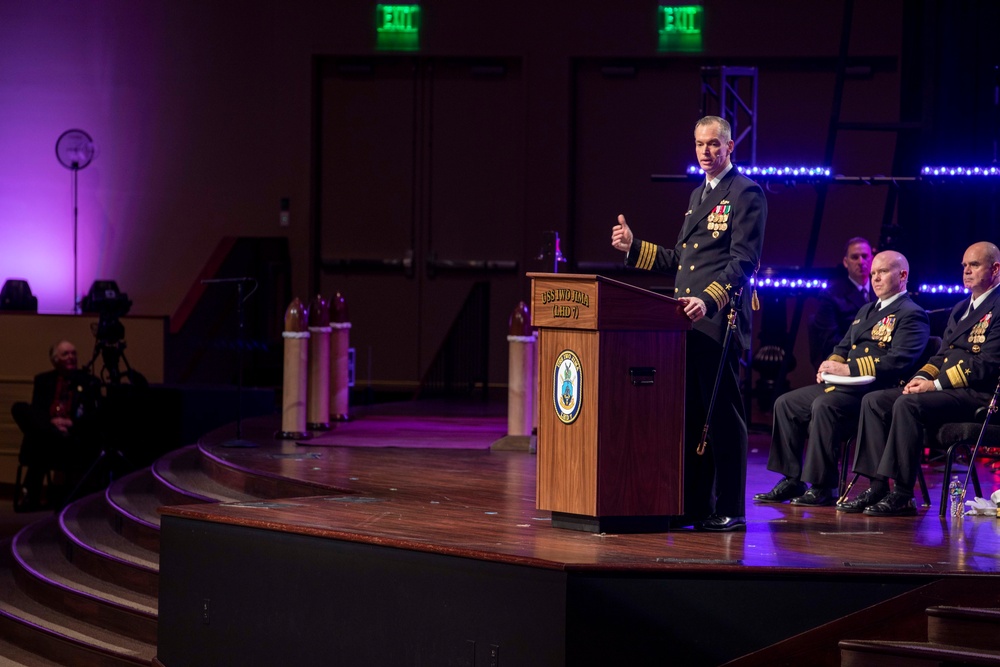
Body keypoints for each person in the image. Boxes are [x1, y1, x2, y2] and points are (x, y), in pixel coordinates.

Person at [611, 115, 766, 532]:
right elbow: (682, 261)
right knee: (693, 416)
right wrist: (635, 248)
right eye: (700, 144)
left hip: (718, 320)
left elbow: (743, 262)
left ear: (730, 147)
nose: (706, 152)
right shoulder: (700, 194)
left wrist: (708, 300)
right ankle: (698, 505)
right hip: (686, 322)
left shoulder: (745, 192)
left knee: (722, 416)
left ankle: (731, 508)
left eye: (714, 144)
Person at [753, 251, 929, 507]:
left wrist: (849, 369)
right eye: (873, 274)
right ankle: (792, 479)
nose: (875, 278)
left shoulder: (911, 313)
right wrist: (830, 364)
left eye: (882, 272)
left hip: (875, 392)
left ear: (902, 276)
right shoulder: (867, 310)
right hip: (846, 387)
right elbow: (843, 346)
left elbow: (899, 360)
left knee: (823, 406)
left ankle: (823, 486)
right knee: (786, 403)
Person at [838, 242, 1000, 516]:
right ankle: (877, 486)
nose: (967, 271)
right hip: (948, 390)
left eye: (974, 265)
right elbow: (942, 355)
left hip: (978, 394)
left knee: (908, 405)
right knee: (876, 401)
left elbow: (988, 364)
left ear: (995, 269)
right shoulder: (962, 308)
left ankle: (902, 494)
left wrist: (934, 384)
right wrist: (920, 378)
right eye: (964, 266)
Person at [11, 340, 102, 510]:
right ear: (55, 360)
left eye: (73, 353)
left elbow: (94, 418)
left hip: (73, 437)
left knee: (38, 438)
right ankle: (52, 431)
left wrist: (70, 423)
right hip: (50, 434)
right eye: (65, 354)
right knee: (20, 408)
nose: (71, 357)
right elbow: (37, 413)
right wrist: (51, 424)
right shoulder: (43, 380)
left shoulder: (89, 382)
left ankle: (30, 492)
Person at [808, 237, 874, 368]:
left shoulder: (882, 291)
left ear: (872, 259)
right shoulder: (830, 295)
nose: (861, 262)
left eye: (865, 256)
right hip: (847, 360)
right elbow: (830, 340)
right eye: (855, 257)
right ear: (845, 262)